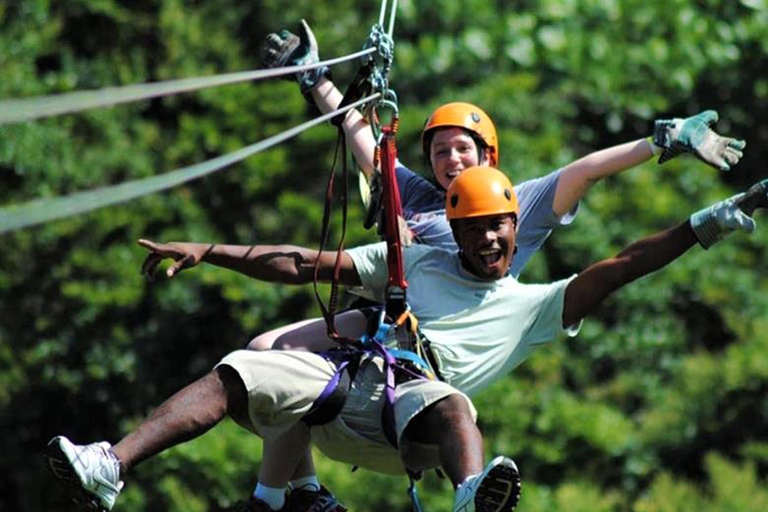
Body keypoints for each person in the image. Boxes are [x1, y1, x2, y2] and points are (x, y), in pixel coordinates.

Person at [199, 20, 748, 510]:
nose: (450, 160)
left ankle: (296, 494)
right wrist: (315, 78)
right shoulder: (415, 196)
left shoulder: (512, 203)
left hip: (437, 343)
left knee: (286, 361)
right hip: (382, 328)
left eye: (463, 149)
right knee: (266, 350)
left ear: (489, 156)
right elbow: (360, 136)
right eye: (439, 151)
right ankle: (304, 492)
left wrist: (663, 139)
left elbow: (584, 173)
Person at [48, 167, 767, 512]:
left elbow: (620, 268)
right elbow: (304, 264)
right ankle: (113, 464)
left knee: (452, 402)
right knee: (242, 368)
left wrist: (701, 225)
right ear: (452, 230)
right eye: (476, 227)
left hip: (410, 434)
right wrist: (209, 249)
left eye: (500, 226)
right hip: (344, 391)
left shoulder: (531, 305)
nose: (490, 237)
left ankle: (470, 498)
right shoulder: (415, 261)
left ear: (517, 229)